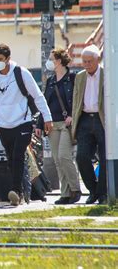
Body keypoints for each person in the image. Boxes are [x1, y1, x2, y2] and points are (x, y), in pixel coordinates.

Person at [0, 43, 52, 206]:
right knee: (11, 159)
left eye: (1, 59)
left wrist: (47, 118)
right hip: (4, 125)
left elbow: (38, 95)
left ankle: (16, 190)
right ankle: (20, 194)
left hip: (23, 122)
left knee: (18, 156)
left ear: (8, 59)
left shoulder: (21, 73)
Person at [37, 48, 81, 205]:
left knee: (64, 156)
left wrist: (72, 115)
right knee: (57, 159)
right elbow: (44, 103)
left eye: (52, 59)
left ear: (60, 61)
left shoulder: (73, 78)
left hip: (66, 125)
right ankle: (65, 193)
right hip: (52, 124)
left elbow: (78, 99)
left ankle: (75, 189)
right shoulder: (50, 81)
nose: (49, 62)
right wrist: (40, 124)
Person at [72, 44, 106, 205]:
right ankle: (93, 190)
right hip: (85, 119)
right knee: (82, 157)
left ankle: (103, 193)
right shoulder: (80, 77)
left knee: (106, 158)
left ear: (97, 59)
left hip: (102, 119)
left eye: (89, 61)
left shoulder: (107, 73)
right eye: (84, 61)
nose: (86, 65)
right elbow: (77, 101)